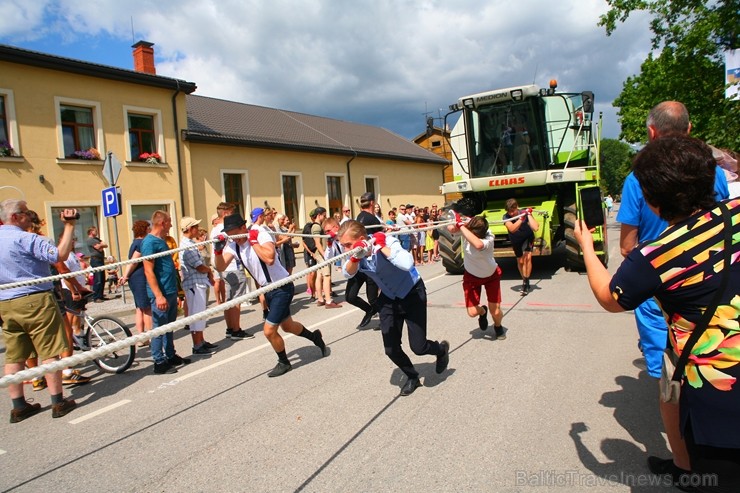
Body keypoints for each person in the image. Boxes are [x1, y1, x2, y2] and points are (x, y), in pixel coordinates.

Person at [575, 136, 739, 492]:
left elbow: (610, 296)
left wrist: (587, 246)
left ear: (650, 200)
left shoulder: (657, 255)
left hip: (718, 400)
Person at [617, 101, 730, 484]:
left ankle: (684, 466)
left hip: (659, 290)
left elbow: (628, 246)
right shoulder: (709, 169)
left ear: (650, 133)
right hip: (716, 281)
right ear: (690, 127)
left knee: (670, 376)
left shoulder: (639, 178)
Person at [337, 220, 450, 396]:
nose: (345, 249)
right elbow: (347, 272)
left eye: (348, 245)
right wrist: (354, 255)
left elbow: (407, 263)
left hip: (412, 293)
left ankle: (440, 350)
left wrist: (381, 246)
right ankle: (412, 376)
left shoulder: (387, 241)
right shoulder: (355, 254)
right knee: (391, 349)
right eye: (343, 246)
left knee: (418, 348)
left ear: (361, 238)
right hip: (389, 299)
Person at [214, 212, 328, 377]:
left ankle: (284, 362)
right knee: (288, 326)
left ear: (242, 228)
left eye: (235, 235)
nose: (234, 239)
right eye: (231, 236)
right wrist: (217, 252)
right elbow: (221, 266)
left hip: (282, 287)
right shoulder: (234, 244)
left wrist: (253, 241)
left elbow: (269, 258)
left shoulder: (260, 233)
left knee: (268, 330)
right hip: (267, 290)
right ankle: (315, 337)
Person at [0, 199, 78, 422]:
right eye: (25, 213)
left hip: (6, 302)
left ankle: (18, 406)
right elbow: (59, 255)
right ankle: (57, 402)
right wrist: (69, 225)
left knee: (15, 355)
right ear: (15, 217)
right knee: (50, 351)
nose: (30, 217)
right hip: (35, 299)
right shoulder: (26, 238)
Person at [141, 210, 192, 375]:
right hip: (160, 293)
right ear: (162, 223)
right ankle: (158, 361)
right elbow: (148, 271)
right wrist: (158, 295)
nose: (171, 224)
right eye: (169, 222)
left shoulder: (161, 240)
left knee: (169, 326)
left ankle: (170, 354)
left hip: (169, 290)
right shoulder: (150, 243)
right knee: (159, 328)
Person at [447, 215, 505, 339]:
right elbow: (451, 229)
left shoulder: (489, 237)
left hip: (491, 275)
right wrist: (457, 220)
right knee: (472, 312)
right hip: (472, 276)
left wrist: (462, 226)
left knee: (495, 311)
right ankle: (482, 312)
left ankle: (498, 326)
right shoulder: (468, 230)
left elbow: (478, 244)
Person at [211, 203, 252, 340]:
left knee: (229, 300)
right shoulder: (223, 231)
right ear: (225, 214)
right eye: (231, 212)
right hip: (232, 266)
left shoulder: (215, 229)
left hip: (225, 267)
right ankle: (236, 329)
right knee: (236, 300)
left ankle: (230, 328)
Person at [180, 216, 217, 356]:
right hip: (194, 284)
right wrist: (209, 270)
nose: (198, 229)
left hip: (199, 283)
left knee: (200, 314)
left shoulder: (190, 243)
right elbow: (199, 266)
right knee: (196, 315)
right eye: (195, 227)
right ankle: (197, 344)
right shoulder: (187, 246)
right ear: (190, 229)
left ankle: (201, 340)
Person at [346, 192, 382, 328]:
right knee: (350, 296)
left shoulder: (362, 218)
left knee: (372, 298)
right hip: (359, 263)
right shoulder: (369, 219)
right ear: (372, 203)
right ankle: (370, 310)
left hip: (370, 264)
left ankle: (385, 318)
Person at [120, 220, 152, 346]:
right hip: (139, 278)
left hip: (135, 278)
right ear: (145, 229)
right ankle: (149, 336)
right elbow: (134, 262)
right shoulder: (141, 243)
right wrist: (125, 275)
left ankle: (141, 336)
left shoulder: (135, 242)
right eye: (148, 227)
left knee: (139, 308)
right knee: (146, 308)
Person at [503, 198, 539, 295]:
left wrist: (528, 214)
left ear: (517, 207)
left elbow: (535, 227)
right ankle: (524, 278)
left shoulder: (523, 213)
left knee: (527, 258)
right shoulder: (506, 217)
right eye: (509, 211)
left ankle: (525, 282)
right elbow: (512, 229)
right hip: (516, 240)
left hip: (527, 238)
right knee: (520, 261)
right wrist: (520, 219)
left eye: (512, 211)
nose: (511, 213)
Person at [309, 207, 341, 308]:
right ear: (319, 215)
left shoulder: (318, 226)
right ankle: (328, 300)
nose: (325, 217)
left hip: (322, 253)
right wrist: (326, 256)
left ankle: (320, 299)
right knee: (326, 276)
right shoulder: (317, 227)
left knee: (319, 276)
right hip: (322, 254)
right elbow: (317, 243)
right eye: (324, 215)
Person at [86, 226, 108, 302]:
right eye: (95, 231)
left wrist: (101, 245)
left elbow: (105, 245)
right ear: (91, 231)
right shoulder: (90, 240)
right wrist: (101, 245)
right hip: (95, 260)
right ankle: (96, 297)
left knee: (102, 278)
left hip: (100, 260)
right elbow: (98, 247)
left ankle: (101, 295)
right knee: (98, 278)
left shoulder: (97, 239)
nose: (97, 232)